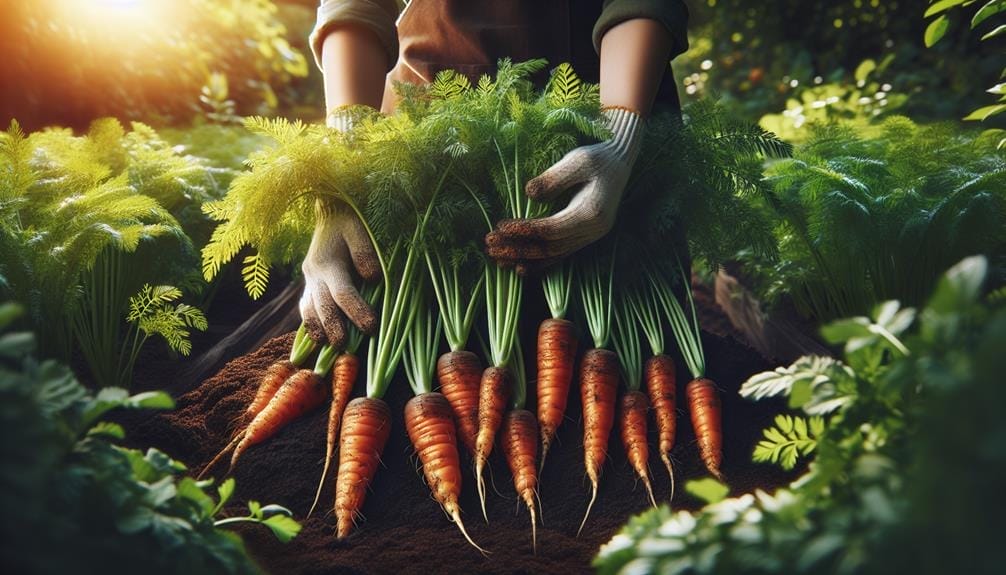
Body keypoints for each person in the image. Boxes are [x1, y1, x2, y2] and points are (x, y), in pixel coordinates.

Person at [300, 0, 689, 347]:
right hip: (429, 132)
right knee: (396, 338)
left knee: (641, 356)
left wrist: (619, 140)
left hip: (608, 108)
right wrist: (343, 173)